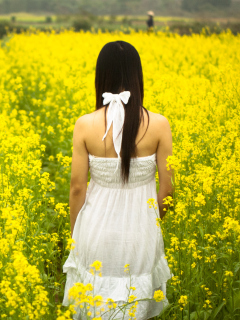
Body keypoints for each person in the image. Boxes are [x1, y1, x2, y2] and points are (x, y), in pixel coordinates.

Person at [62, 41, 173, 320]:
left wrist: (77, 237)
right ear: (138, 76)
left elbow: (77, 188)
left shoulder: (85, 124)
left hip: (94, 234)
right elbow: (168, 189)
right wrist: (151, 220)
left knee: (95, 308)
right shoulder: (159, 124)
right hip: (141, 235)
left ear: (101, 76)